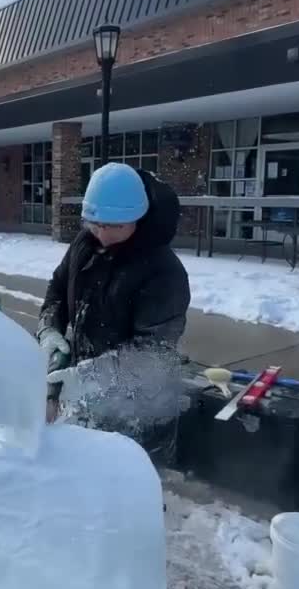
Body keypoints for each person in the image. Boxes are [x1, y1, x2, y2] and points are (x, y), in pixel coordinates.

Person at [38, 162, 191, 426]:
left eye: (112, 226)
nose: (101, 234)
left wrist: (91, 376)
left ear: (137, 217)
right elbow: (58, 290)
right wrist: (49, 329)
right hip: (84, 397)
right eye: (95, 224)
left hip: (136, 411)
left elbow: (153, 354)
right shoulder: (85, 244)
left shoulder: (164, 272)